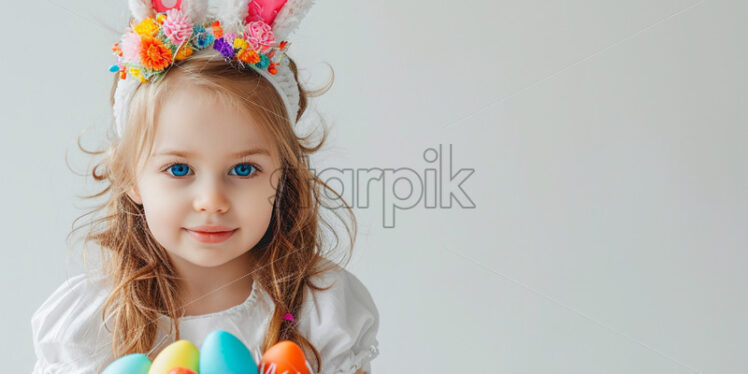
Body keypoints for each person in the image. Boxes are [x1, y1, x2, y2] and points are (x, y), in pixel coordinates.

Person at [30, 1, 379, 373]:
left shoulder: (321, 311)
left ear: (284, 175)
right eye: (179, 169)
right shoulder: (92, 323)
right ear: (128, 175)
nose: (212, 201)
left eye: (244, 169)